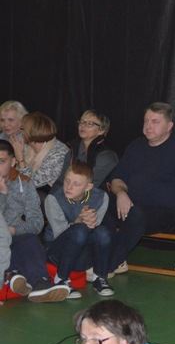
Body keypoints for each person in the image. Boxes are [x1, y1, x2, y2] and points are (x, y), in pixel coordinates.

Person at [109, 102, 175, 271]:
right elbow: (117, 179)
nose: (148, 126)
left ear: (169, 126)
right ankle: (91, 259)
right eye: (146, 121)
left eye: (155, 121)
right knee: (100, 204)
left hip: (165, 214)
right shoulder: (135, 147)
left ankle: (110, 263)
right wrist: (121, 193)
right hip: (130, 207)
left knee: (136, 215)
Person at [0, 139, 66, 302]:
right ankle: (13, 274)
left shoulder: (24, 183)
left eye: (1, 161)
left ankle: (40, 284)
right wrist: (3, 196)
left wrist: (14, 230)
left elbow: (37, 223)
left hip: (14, 236)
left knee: (30, 240)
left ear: (13, 162)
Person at [45, 161, 113, 298]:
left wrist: (88, 221)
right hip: (57, 253)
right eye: (67, 181)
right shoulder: (53, 199)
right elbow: (60, 233)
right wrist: (78, 221)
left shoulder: (101, 197)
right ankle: (61, 279)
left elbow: (95, 226)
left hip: (83, 253)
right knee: (79, 231)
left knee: (103, 233)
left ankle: (99, 277)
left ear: (88, 187)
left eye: (76, 184)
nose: (69, 187)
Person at [60, 109, 119, 187]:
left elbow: (89, 186)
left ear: (101, 130)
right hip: (68, 191)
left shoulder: (107, 156)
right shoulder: (73, 149)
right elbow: (61, 180)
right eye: (82, 121)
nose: (83, 125)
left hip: (91, 193)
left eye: (90, 123)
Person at [17, 112, 69, 192]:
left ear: (33, 132)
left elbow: (31, 183)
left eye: (22, 129)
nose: (20, 131)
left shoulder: (58, 154)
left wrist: (20, 159)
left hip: (51, 194)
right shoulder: (27, 146)